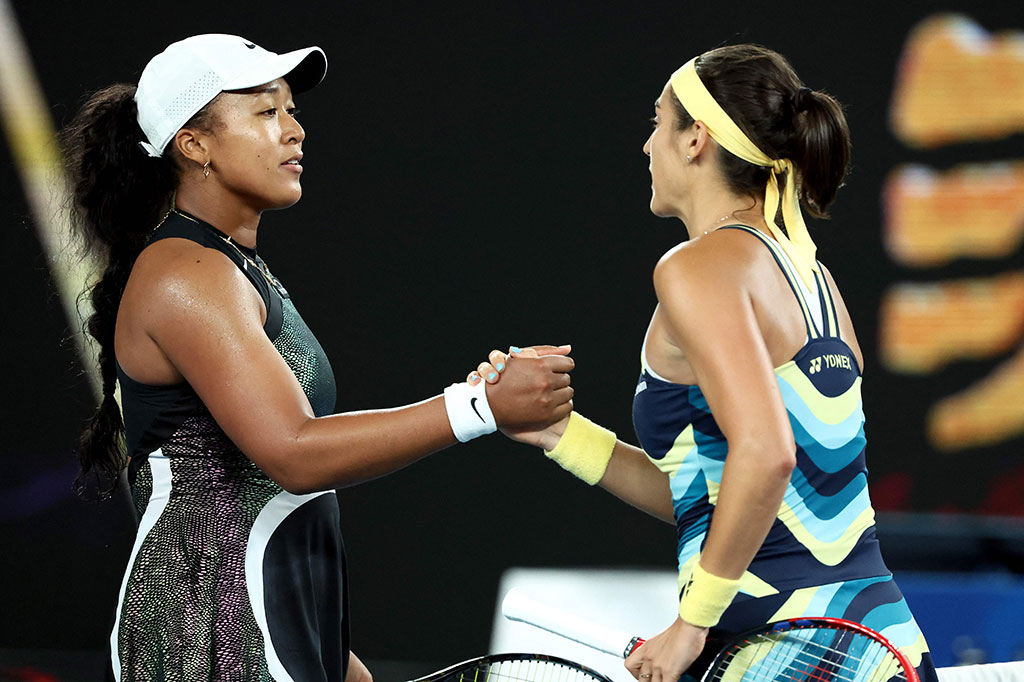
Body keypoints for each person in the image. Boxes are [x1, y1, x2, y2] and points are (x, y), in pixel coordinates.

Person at [64, 34, 574, 682]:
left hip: (269, 621)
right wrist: (477, 407)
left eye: (292, 110)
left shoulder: (235, 267)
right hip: (206, 636)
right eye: (265, 112)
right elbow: (293, 452)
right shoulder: (184, 273)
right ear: (195, 144)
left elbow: (270, 503)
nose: (294, 131)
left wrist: (337, 660)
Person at [476, 44, 938, 682]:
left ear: (696, 139)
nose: (647, 146)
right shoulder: (815, 281)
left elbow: (766, 453)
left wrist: (691, 624)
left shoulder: (694, 268)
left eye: (658, 122)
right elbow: (725, 496)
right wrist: (561, 435)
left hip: (786, 654)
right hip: (885, 646)